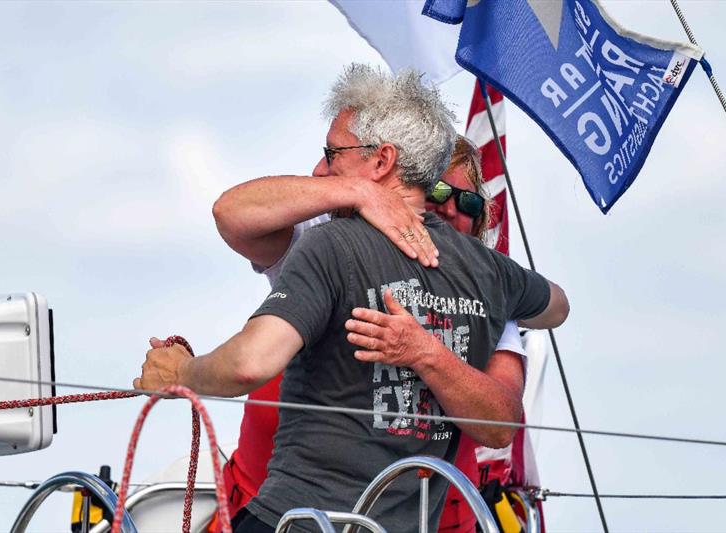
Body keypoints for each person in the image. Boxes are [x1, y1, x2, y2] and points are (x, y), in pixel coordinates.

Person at [135, 64, 569, 532]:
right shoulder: (492, 275)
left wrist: (180, 373)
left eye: (333, 152)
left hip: (296, 521)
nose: (324, 168)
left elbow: (250, 364)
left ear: (383, 161)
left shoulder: (328, 245)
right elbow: (557, 306)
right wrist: (359, 191)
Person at [211, 135, 524, 533]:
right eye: (436, 190)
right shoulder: (326, 249)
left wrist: (424, 351)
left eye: (469, 203)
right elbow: (231, 212)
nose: (448, 207)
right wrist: (355, 189)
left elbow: (500, 426)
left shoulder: (491, 293)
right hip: (276, 513)